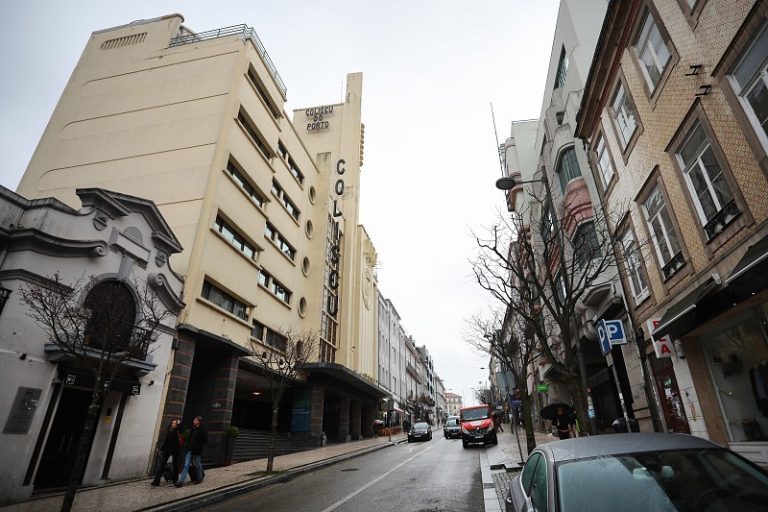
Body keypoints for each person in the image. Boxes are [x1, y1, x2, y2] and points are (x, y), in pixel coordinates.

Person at [175, 416, 208, 487]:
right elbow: (185, 434)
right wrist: (179, 424)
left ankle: (199, 478)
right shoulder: (192, 428)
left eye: (195, 420)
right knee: (186, 464)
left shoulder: (203, 429)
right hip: (190, 449)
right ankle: (180, 482)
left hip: (197, 450)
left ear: (199, 421)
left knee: (197, 464)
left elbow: (204, 440)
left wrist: (198, 445)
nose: (193, 421)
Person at [151, 418, 183, 486]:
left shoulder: (178, 430)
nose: (173, 424)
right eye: (172, 423)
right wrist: (162, 449)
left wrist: (179, 424)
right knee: (162, 465)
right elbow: (166, 440)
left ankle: (175, 479)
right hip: (167, 449)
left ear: (177, 424)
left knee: (175, 465)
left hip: (175, 450)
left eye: (175, 423)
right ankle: (156, 481)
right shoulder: (169, 430)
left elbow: (181, 430)